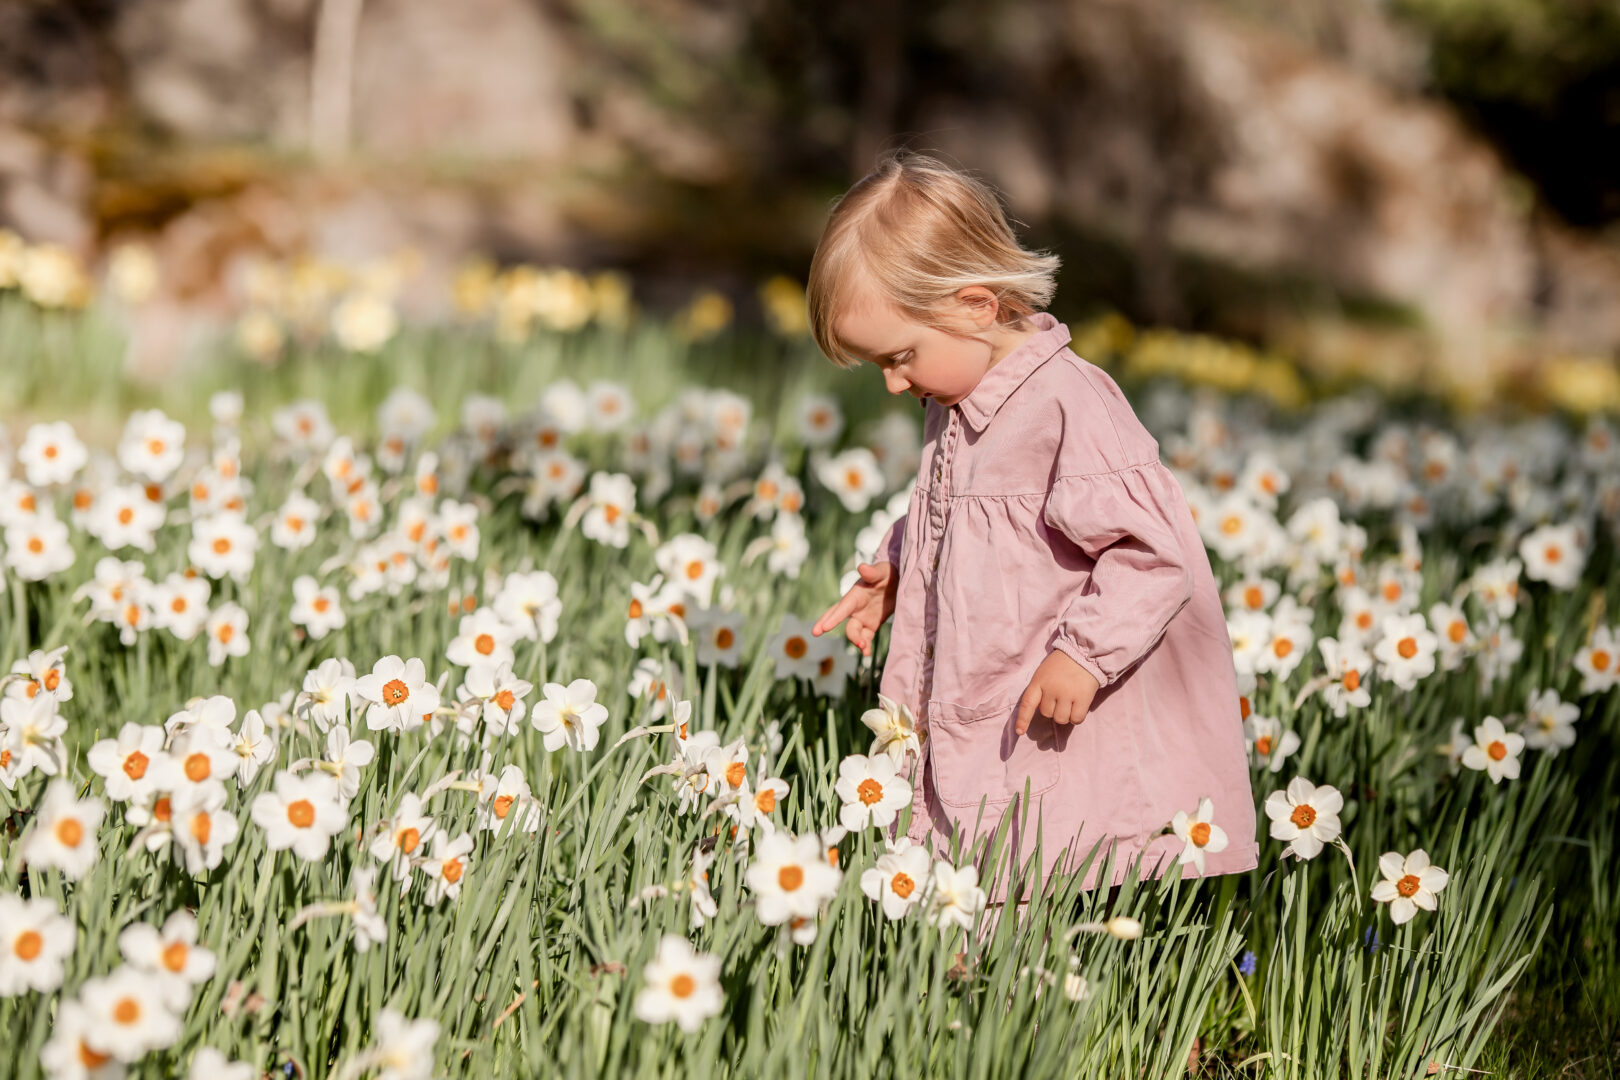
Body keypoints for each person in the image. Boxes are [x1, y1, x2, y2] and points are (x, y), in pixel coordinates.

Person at [807, 149, 1259, 942]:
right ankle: (966, 978)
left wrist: (1085, 655)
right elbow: (957, 515)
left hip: (1048, 677)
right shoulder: (958, 390)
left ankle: (1030, 998)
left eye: (897, 356)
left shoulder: (1067, 406)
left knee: (1033, 841)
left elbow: (1153, 553)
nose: (890, 383)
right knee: (984, 839)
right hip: (993, 672)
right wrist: (898, 567)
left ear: (978, 305)